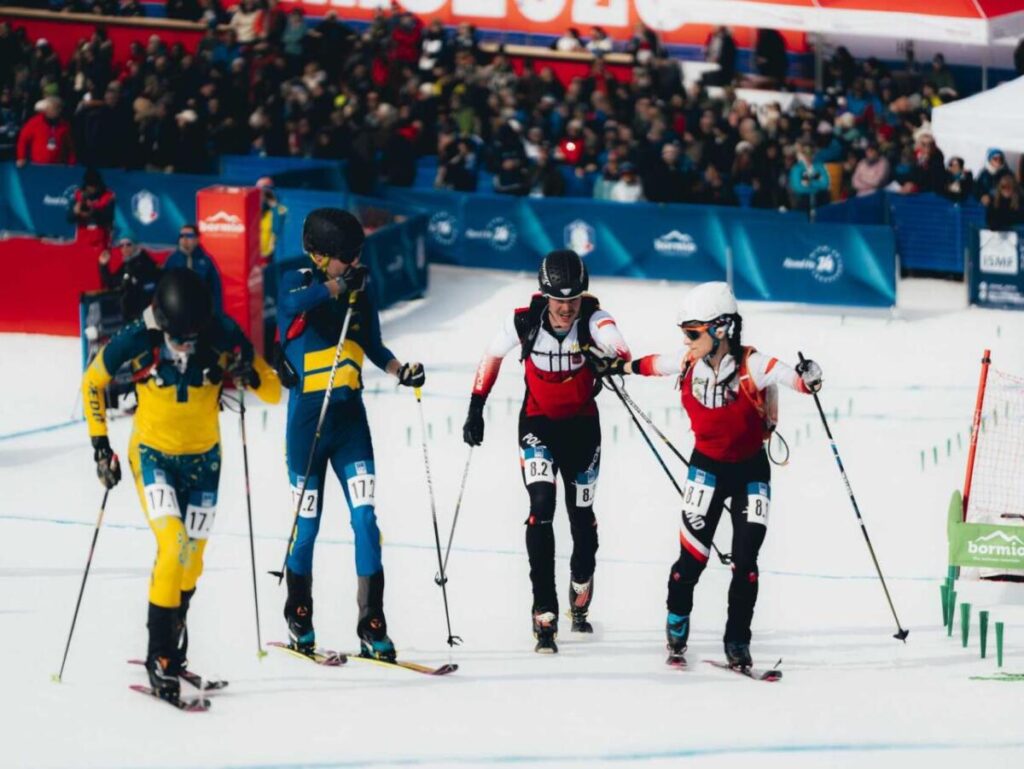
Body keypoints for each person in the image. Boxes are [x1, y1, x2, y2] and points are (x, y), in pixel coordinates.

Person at [593, 282, 821, 669]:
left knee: (746, 565)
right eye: (685, 332)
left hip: (751, 472)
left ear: (722, 328)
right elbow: (649, 365)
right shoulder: (686, 364)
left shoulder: (754, 364)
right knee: (691, 562)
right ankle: (677, 621)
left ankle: (737, 641)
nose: (686, 341)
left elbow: (798, 381)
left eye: (692, 332)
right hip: (707, 470)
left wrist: (810, 374)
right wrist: (614, 367)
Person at [81, 269, 281, 702]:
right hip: (153, 455)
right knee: (173, 546)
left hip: (205, 462)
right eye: (180, 340)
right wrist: (101, 446)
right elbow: (93, 381)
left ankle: (173, 645)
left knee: (191, 563)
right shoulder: (139, 336)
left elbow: (272, 393)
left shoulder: (221, 331)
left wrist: (251, 370)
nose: (187, 347)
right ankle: (160, 656)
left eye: (194, 339)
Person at [461, 250, 632, 653]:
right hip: (537, 425)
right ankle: (544, 609)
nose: (566, 310)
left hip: (582, 431)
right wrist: (475, 407)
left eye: (573, 300)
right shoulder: (523, 320)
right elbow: (491, 355)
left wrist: (607, 356)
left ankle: (580, 586)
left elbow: (621, 347)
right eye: (559, 301)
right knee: (541, 508)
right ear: (544, 295)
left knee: (581, 521)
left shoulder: (592, 319)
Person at [277, 208, 425, 662]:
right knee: (307, 530)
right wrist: (337, 287)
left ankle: (372, 622)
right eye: (345, 258)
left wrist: (402, 371)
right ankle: (299, 615)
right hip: (307, 427)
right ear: (320, 257)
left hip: (349, 425)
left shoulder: (361, 292)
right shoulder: (301, 280)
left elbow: (375, 346)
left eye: (356, 256)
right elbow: (290, 307)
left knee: (366, 521)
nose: (353, 264)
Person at [98, 236, 162, 320]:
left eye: (128, 244)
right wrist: (103, 265)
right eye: (121, 245)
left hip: (145, 316)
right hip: (132, 315)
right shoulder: (127, 264)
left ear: (135, 245)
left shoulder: (145, 262)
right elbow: (111, 283)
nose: (125, 248)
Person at [164, 224, 224, 313]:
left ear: (197, 239)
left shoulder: (206, 261)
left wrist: (216, 314)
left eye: (189, 236)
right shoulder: (172, 260)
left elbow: (216, 290)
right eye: (182, 236)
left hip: (201, 310)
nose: (184, 239)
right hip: (178, 311)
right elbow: (164, 287)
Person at [15, 96, 75, 167]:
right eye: (55, 108)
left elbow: (70, 146)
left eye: (59, 108)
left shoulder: (64, 125)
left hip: (59, 166)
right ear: (46, 109)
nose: (58, 111)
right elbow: (23, 141)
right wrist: (21, 157)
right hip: (38, 165)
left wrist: (71, 162)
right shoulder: (34, 123)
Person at [68, 167, 115, 249]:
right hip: (82, 239)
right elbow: (69, 219)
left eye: (94, 185)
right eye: (90, 185)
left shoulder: (108, 196)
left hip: (101, 240)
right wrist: (75, 213)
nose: (92, 188)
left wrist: (93, 212)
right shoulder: (79, 195)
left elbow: (109, 217)